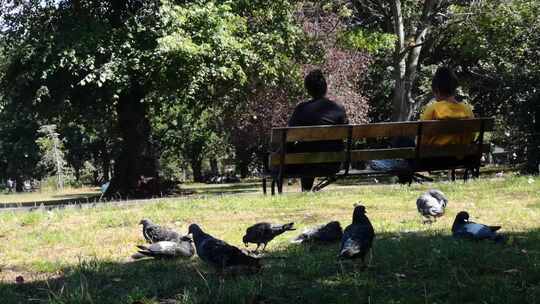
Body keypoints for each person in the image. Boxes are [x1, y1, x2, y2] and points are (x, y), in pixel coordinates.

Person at [369, 66, 475, 179]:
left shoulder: (433, 109)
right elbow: (471, 137)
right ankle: (398, 166)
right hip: (458, 158)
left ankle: (397, 166)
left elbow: (422, 140)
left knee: (400, 139)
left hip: (430, 160)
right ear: (454, 89)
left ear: (436, 90)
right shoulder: (467, 110)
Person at [287, 69, 349, 191]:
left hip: (305, 163)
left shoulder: (301, 109)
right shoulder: (338, 109)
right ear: (325, 87)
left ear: (308, 89)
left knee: (305, 150)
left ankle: (306, 190)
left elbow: (289, 136)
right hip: (333, 163)